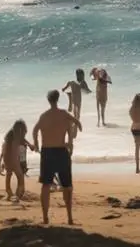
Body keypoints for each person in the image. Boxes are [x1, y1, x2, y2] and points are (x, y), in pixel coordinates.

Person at [32, 89, 81, 225]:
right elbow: (74, 121)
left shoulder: (44, 116)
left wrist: (36, 144)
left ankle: (45, 218)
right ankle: (70, 217)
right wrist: (71, 142)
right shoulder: (64, 114)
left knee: (46, 185)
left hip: (47, 152)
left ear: (48, 100)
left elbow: (35, 130)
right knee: (67, 185)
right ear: (58, 99)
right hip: (61, 151)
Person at [1, 120, 34, 201]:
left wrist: (28, 144)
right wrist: (30, 145)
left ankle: (9, 194)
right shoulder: (19, 137)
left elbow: (6, 146)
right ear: (22, 130)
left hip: (6, 159)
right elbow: (26, 143)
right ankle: (17, 195)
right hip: (14, 160)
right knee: (20, 178)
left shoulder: (9, 135)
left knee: (8, 176)